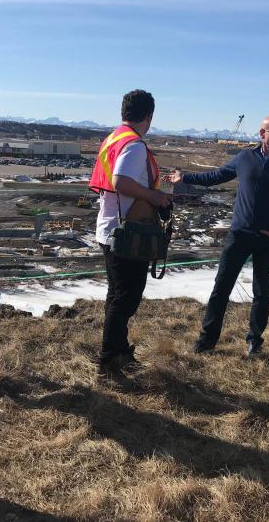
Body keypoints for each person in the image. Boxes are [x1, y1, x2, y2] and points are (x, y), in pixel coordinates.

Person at [168, 115, 269, 357]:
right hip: (239, 234)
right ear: (262, 133)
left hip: (267, 239)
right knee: (221, 287)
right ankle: (207, 340)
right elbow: (216, 176)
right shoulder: (245, 158)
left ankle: (254, 340)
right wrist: (185, 177)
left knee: (261, 292)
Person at [88, 90, 172, 375]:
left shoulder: (113, 138)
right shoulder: (134, 145)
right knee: (126, 298)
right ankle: (109, 359)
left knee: (117, 295)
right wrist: (155, 196)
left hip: (109, 228)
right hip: (126, 233)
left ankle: (119, 350)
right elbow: (121, 181)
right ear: (148, 116)